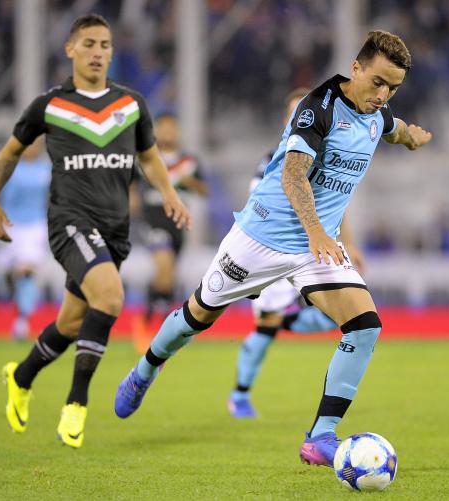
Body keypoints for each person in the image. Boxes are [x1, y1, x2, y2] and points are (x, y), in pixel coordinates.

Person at [114, 30, 431, 467]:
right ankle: (145, 369)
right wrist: (317, 230)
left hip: (314, 249)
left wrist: (411, 137)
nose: (383, 95)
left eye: (393, 88)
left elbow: (392, 129)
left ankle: (320, 436)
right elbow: (293, 176)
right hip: (261, 238)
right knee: (197, 315)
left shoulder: (378, 112)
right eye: (378, 82)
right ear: (355, 68)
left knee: (364, 326)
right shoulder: (318, 108)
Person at [0, 14, 190, 449]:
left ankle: (21, 376)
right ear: (70, 50)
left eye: (105, 45)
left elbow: (150, 157)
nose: (98, 52)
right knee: (110, 297)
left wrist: (169, 193)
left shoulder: (131, 105)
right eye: (89, 43)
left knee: (72, 322)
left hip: (115, 231)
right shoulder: (50, 105)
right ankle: (76, 403)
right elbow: (10, 152)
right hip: (70, 222)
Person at [227, 89, 365, 419]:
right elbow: (267, 203)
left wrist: (348, 243)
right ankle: (240, 396)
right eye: (294, 111)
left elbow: (335, 207)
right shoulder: (273, 159)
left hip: (312, 249)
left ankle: (286, 319)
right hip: (276, 246)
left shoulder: (327, 154)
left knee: (341, 314)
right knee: (268, 324)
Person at [132, 112, 207, 351]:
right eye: (163, 128)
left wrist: (189, 182)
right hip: (153, 220)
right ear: (156, 131)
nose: (168, 133)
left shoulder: (189, 162)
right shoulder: (147, 158)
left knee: (169, 276)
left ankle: (154, 321)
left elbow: (204, 190)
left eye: (172, 128)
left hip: (177, 223)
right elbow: (132, 185)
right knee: (163, 267)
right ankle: (152, 324)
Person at [0, 137, 50, 341]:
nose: (34, 147)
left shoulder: (47, 169)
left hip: (35, 226)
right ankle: (12, 292)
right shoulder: (8, 165)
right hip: (8, 224)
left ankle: (22, 321)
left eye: (38, 143)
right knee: (7, 275)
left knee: (27, 271)